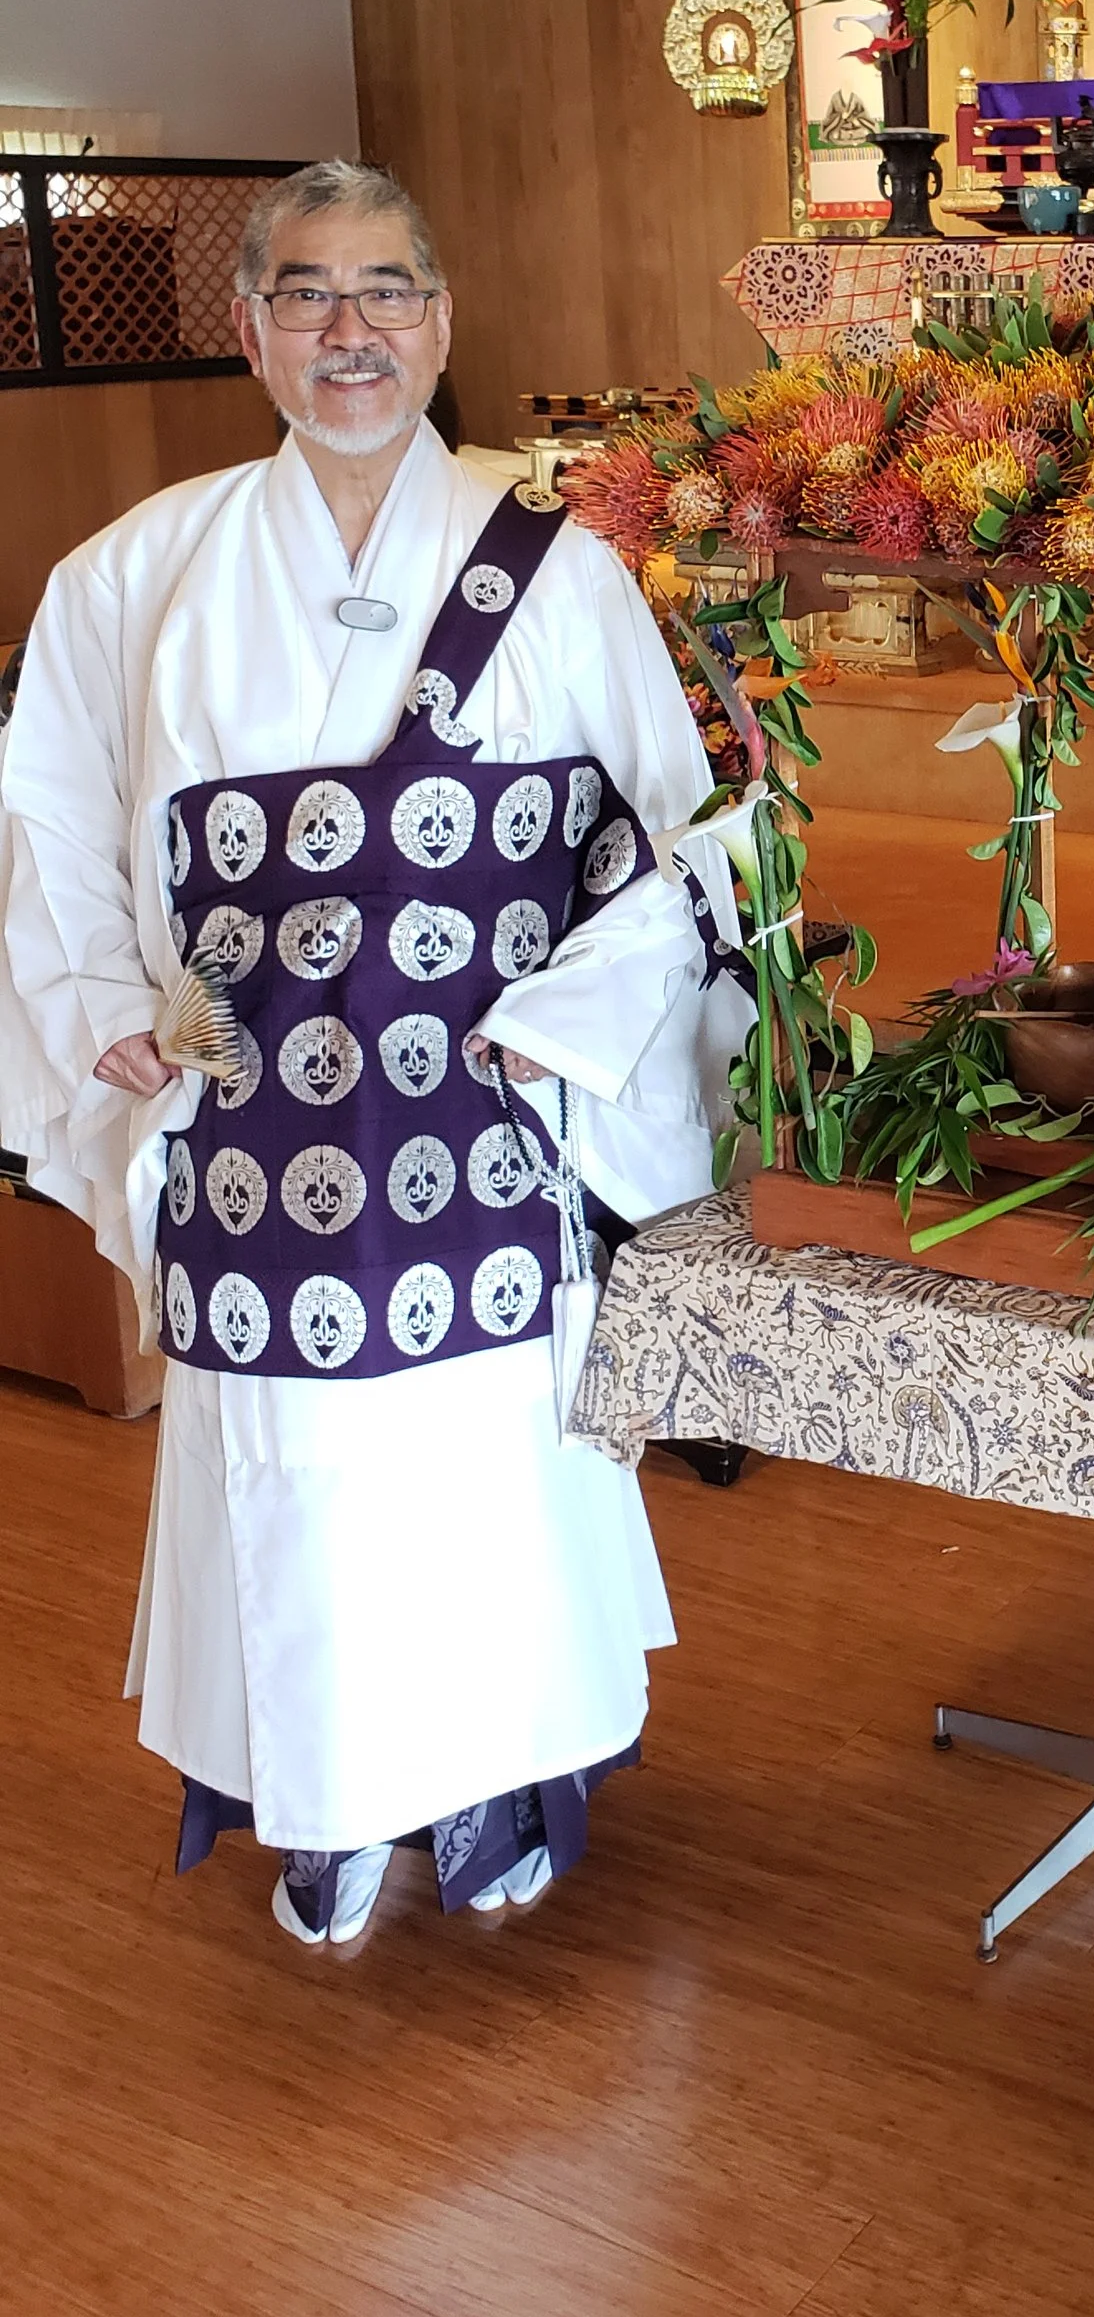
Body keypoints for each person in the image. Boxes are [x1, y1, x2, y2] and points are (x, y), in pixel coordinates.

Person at [0, 160, 723, 1950]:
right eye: (310, 295)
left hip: (483, 1128)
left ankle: (497, 1788)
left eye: (388, 291)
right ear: (249, 330)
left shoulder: (561, 577)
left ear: (442, 323)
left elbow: (686, 841)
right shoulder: (133, 578)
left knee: (485, 1478)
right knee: (294, 1488)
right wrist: (103, 1017)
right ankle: (323, 1809)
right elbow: (48, 827)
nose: (351, 331)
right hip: (252, 1134)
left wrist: (560, 1036)